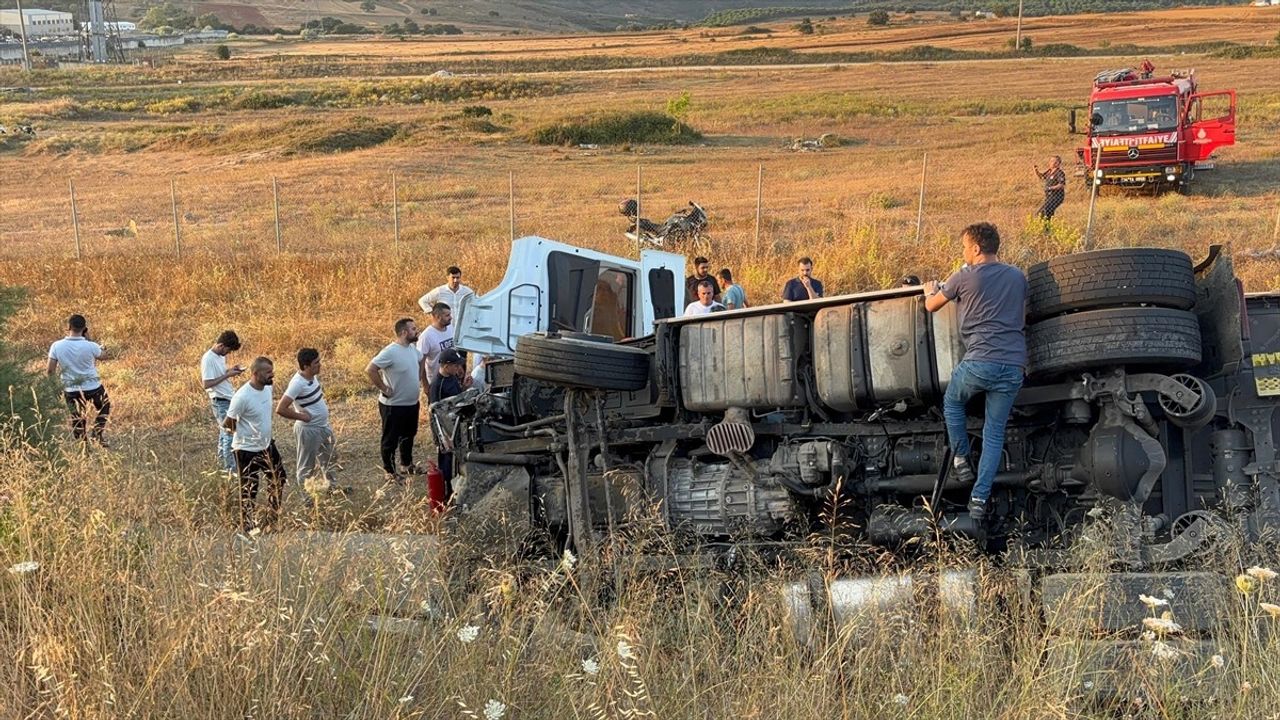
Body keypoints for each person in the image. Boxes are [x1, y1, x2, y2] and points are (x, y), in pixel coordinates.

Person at [923, 222, 1027, 522]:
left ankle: (961, 458)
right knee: (994, 433)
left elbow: (932, 306)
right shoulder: (1017, 276)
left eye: (965, 248)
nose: (964, 253)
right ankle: (979, 500)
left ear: (976, 248)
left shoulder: (965, 275)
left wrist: (929, 289)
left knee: (953, 402)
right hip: (1013, 366)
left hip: (979, 361)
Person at [224, 357, 286, 532]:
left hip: (267, 446)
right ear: (255, 374)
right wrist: (246, 435)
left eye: (272, 370)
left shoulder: (267, 387)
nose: (272, 374)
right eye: (268, 372)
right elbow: (228, 423)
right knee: (249, 489)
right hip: (246, 450)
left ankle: (272, 519)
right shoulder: (242, 397)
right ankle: (248, 527)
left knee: (279, 478)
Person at [367, 318, 427, 481]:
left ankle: (406, 465)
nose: (417, 331)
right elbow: (371, 369)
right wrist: (384, 388)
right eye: (414, 329)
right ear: (403, 332)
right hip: (393, 406)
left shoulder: (412, 349)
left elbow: (422, 358)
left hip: (411, 404)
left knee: (409, 435)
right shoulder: (390, 352)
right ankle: (390, 472)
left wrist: (418, 376)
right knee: (390, 439)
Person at [276, 348, 338, 501]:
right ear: (306, 366)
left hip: (323, 427)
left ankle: (332, 489)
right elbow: (281, 409)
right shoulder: (297, 383)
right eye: (316, 363)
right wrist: (301, 417)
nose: (320, 365)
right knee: (306, 467)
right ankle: (308, 500)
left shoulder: (312, 377)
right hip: (309, 430)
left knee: (330, 459)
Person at [47, 313, 111, 446]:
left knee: (77, 417)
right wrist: (91, 340)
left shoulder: (56, 346)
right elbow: (104, 356)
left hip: (71, 388)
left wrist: (54, 386)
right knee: (104, 406)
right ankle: (97, 433)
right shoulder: (91, 345)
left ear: (68, 327)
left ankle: (83, 445)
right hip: (93, 387)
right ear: (84, 328)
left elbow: (50, 370)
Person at [428, 348, 472, 499]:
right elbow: (434, 412)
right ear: (446, 366)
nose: (458, 368)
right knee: (446, 459)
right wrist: (443, 437)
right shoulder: (437, 385)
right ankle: (446, 492)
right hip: (445, 428)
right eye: (455, 365)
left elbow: (456, 396)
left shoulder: (452, 377)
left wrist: (464, 388)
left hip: (456, 423)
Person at [201, 330, 243, 474]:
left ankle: (222, 463)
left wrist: (230, 370)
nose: (228, 353)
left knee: (224, 432)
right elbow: (206, 383)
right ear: (220, 345)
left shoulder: (219, 357)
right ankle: (230, 469)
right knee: (229, 433)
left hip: (227, 397)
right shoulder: (208, 358)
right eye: (228, 350)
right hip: (220, 400)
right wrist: (228, 375)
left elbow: (219, 374)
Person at [417, 302, 457, 382]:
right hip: (436, 381)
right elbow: (421, 362)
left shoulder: (450, 328)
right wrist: (425, 384)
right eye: (447, 315)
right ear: (438, 317)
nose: (451, 317)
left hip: (451, 377)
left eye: (450, 314)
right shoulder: (426, 336)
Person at [1034, 155, 1067, 221]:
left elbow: (1061, 185)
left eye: (1053, 161)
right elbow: (1042, 177)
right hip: (1049, 196)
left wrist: (1050, 188)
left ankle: (1041, 225)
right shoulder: (1049, 171)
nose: (1051, 162)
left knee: (1042, 212)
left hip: (1056, 196)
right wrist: (1036, 170)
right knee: (1049, 214)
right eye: (1051, 161)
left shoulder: (1059, 173)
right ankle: (1047, 229)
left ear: (1058, 163)